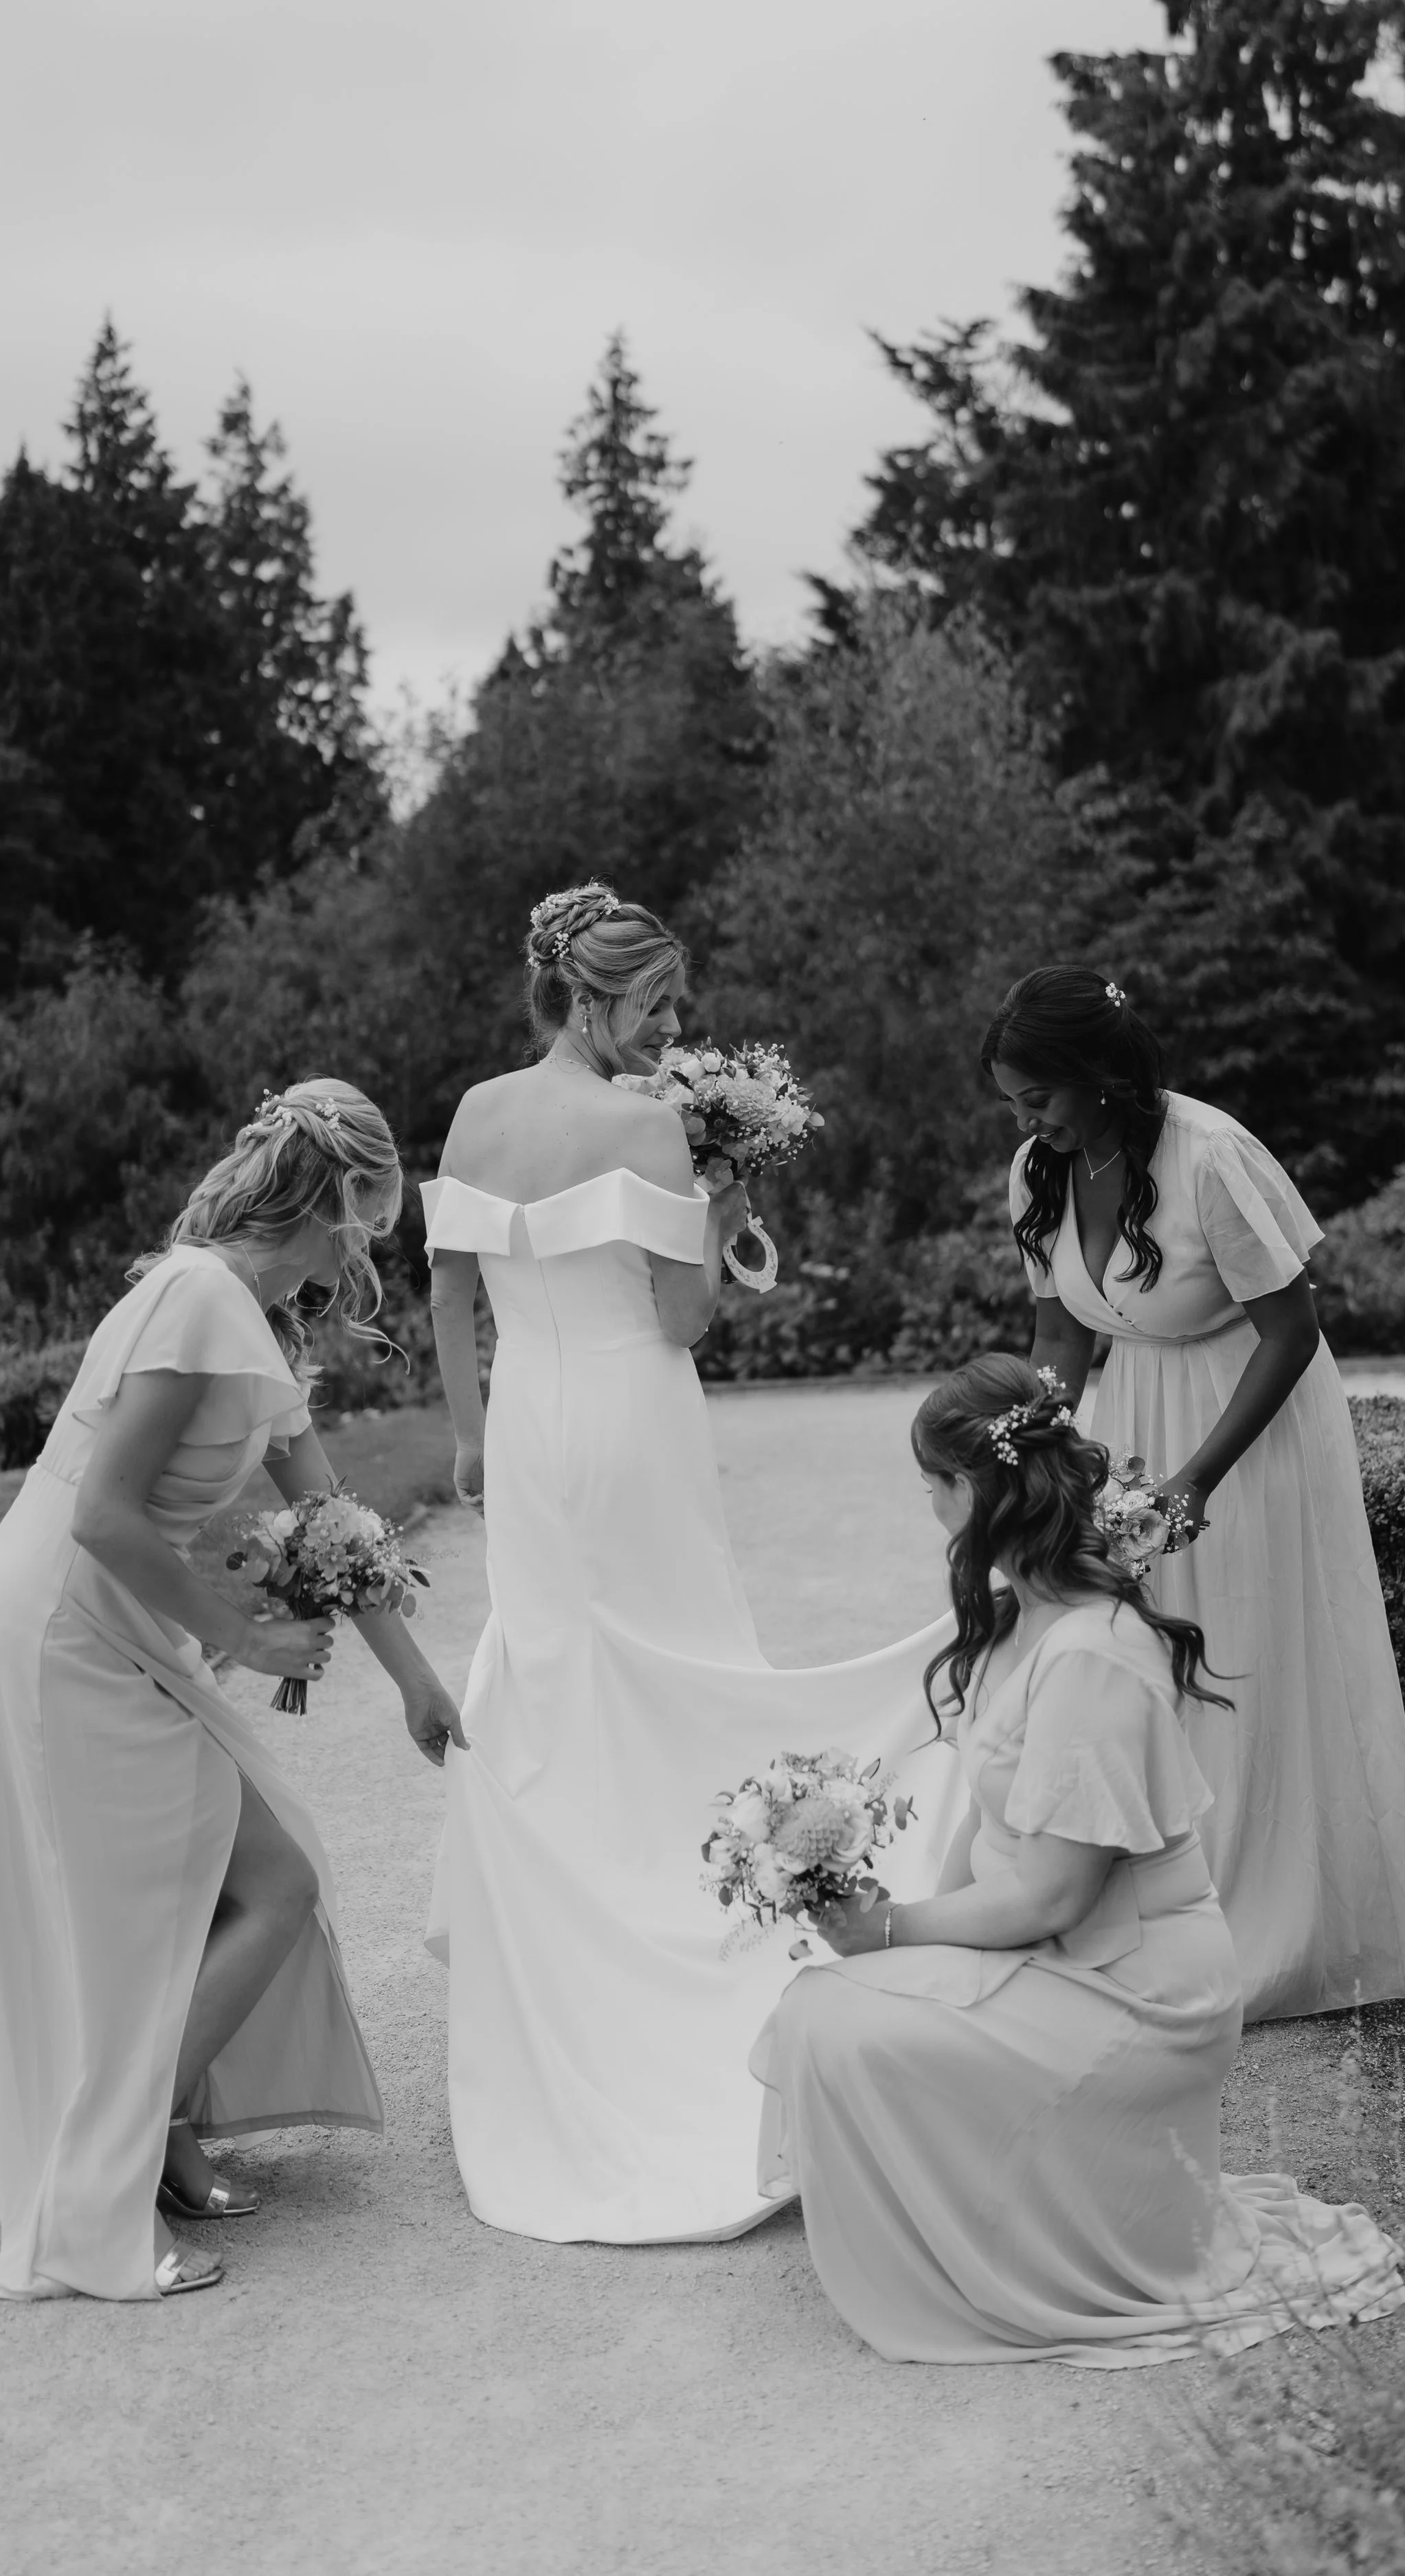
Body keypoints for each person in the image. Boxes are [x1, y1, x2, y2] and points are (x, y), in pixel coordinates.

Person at [422, 882, 960, 2245]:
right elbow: (682, 1316)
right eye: (651, 1005)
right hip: (632, 1418)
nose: (670, 1029)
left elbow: (444, 1287)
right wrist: (719, 1199)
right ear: (587, 998)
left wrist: (467, 1438)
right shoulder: (650, 1127)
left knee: (557, 1669)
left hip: (531, 1427)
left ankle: (575, 1939)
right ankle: (703, 1937)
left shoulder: (479, 1113)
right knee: (692, 1663)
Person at [750, 1357, 1405, 2366]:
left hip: (1139, 1992)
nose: (927, 1502)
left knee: (834, 2019)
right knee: (833, 2000)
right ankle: (971, 2208)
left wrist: (885, 1931)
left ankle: (999, 2242)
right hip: (1073, 1956)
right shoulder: (1025, 1624)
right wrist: (896, 1943)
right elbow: (989, 1849)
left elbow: (1055, 1892)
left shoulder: (1091, 1655)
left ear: (973, 1491)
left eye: (931, 1482)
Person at [0, 1080, 464, 2301]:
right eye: (370, 1223)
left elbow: (333, 1520)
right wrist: (245, 1636)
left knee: (262, 1878)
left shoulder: (248, 1320)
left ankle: (150, 2137)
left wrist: (415, 1683)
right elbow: (107, 1514)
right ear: (335, 1201)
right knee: (255, 1886)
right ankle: (97, 2189)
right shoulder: (198, 1296)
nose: (369, 1254)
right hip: (61, 1624)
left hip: (107, 1620)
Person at [984, 965, 1405, 2021]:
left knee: (1243, 1641)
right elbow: (1061, 1335)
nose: (1026, 1121)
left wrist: (1199, 1478)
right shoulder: (1038, 1170)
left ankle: (1272, 1924)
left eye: (1038, 1097)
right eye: (1013, 1103)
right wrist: (1034, 1450)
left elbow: (1293, 1329)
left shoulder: (1212, 1155)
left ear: (1098, 1076)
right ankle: (1170, 1895)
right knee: (1149, 1645)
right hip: (1140, 1411)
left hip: (1250, 1419)